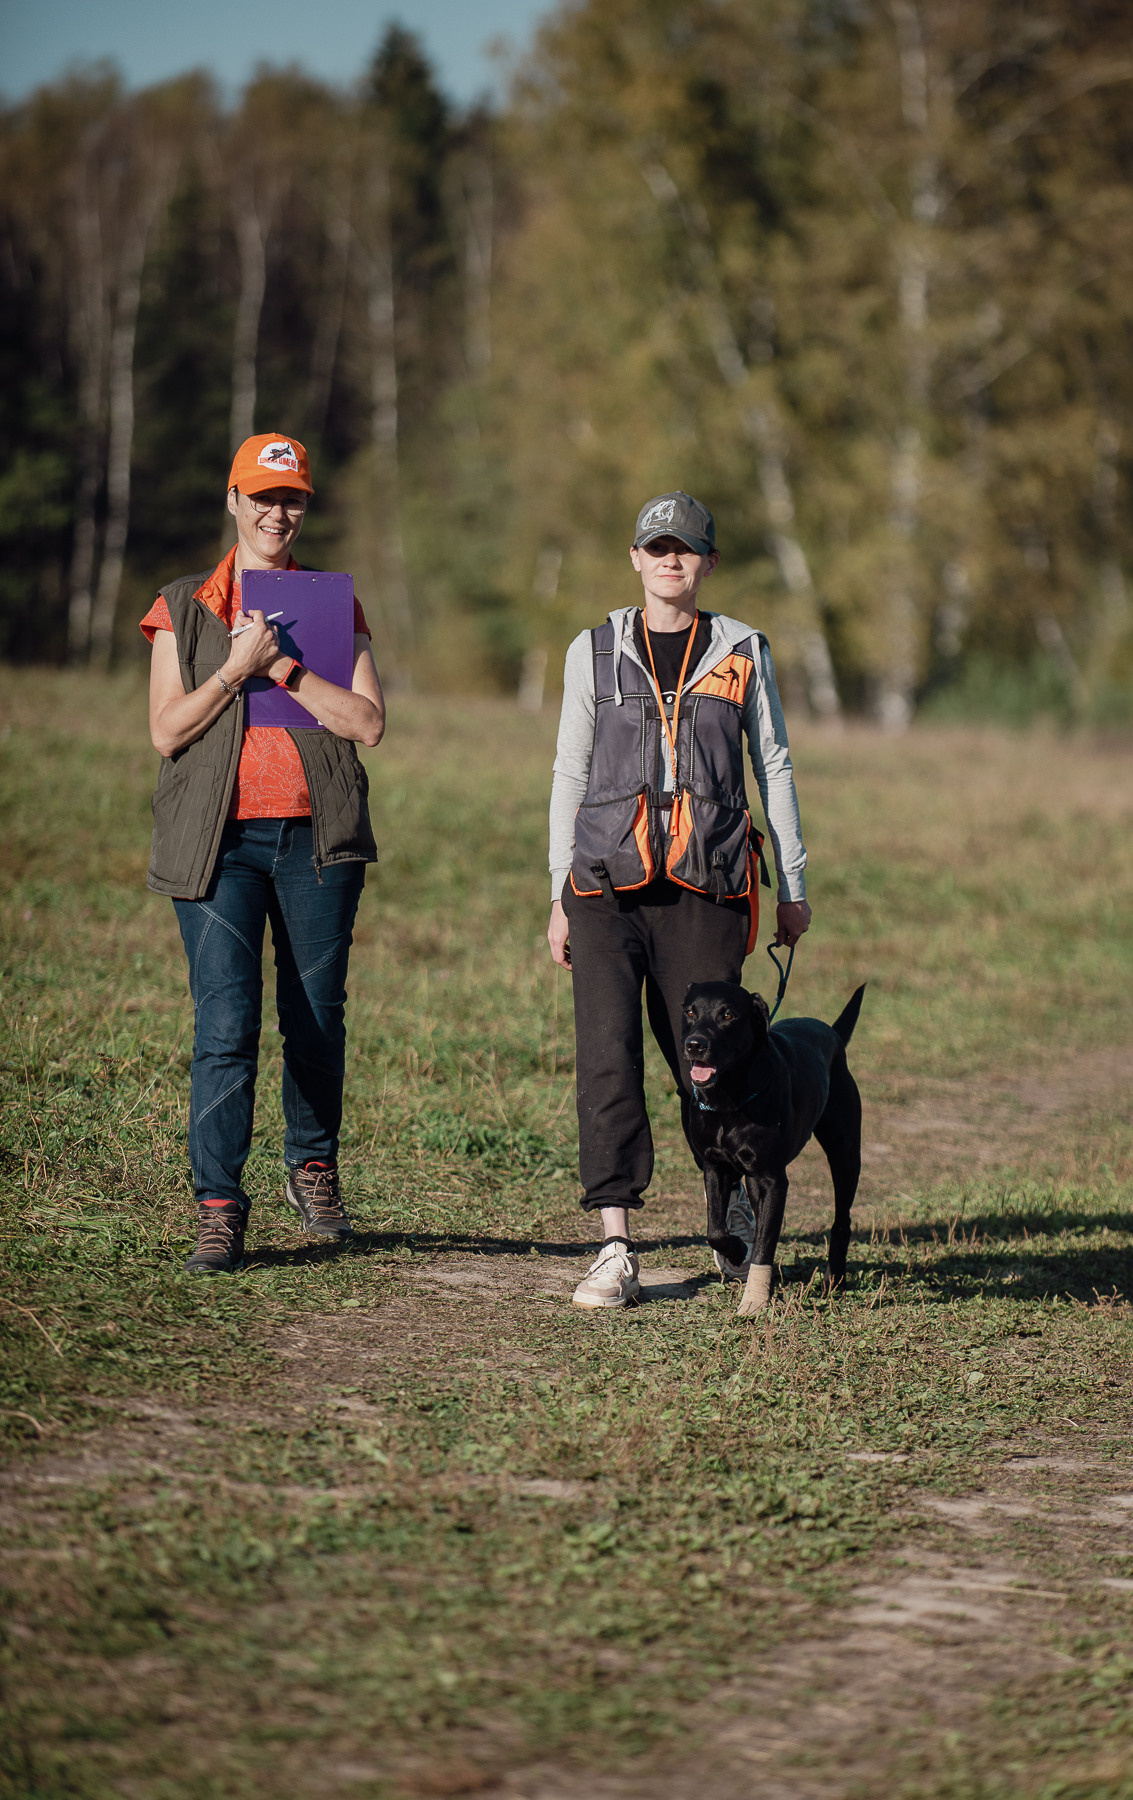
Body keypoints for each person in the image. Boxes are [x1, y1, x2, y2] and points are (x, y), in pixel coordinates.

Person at [547, 491, 811, 1308]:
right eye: (656, 547)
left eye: (686, 549)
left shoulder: (741, 649)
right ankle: (616, 1247)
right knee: (606, 1057)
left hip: (709, 886)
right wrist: (558, 888)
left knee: (710, 1055)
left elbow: (773, 765)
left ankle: (737, 1209)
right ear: (634, 558)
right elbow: (569, 770)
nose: (670, 560)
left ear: (707, 562)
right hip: (602, 887)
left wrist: (792, 884)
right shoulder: (592, 650)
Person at [140, 433, 385, 1274]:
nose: (278, 512)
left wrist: (280, 666)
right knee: (226, 1026)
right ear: (234, 501)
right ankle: (218, 1206)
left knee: (316, 1021)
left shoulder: (332, 605)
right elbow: (167, 731)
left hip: (318, 840)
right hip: (220, 847)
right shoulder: (183, 606)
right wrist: (231, 667)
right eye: (263, 496)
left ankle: (312, 1169)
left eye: (293, 498)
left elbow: (367, 723)